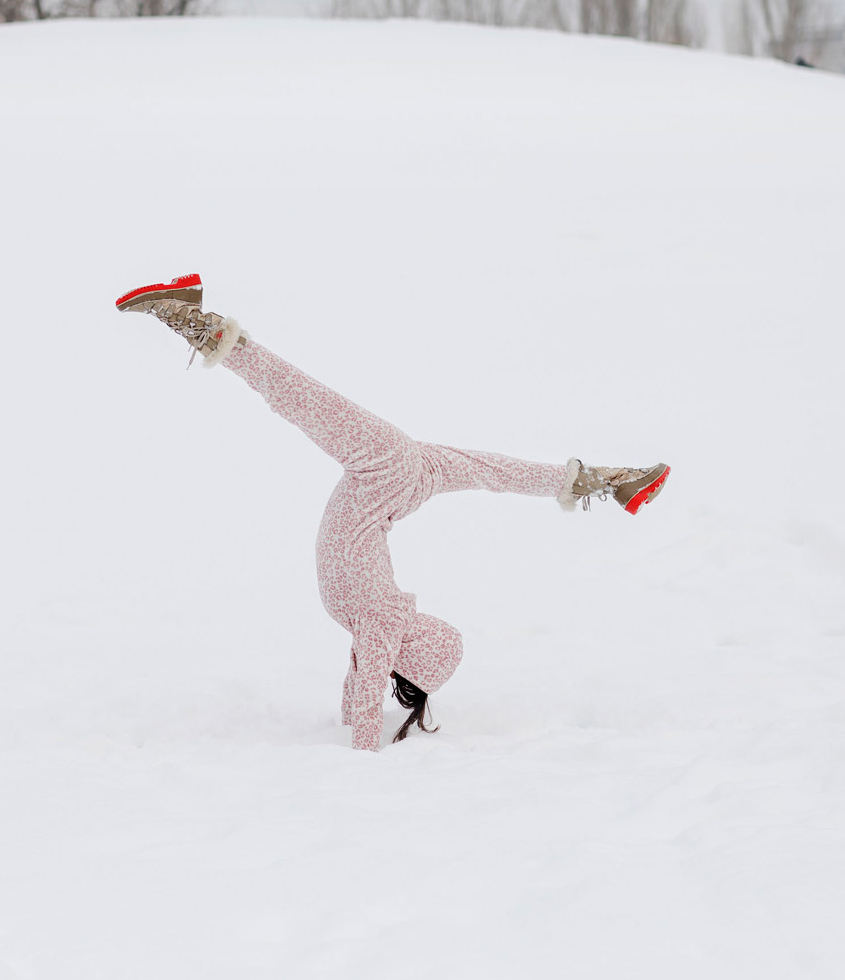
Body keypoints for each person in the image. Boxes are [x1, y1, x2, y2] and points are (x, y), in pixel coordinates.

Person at [118, 273, 669, 752]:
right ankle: (191, 317)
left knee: (489, 472)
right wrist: (362, 753)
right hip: (387, 473)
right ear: (410, 656)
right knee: (296, 396)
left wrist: (358, 728)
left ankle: (605, 481)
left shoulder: (374, 628)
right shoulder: (382, 622)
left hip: (397, 484)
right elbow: (366, 691)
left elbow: (360, 677)